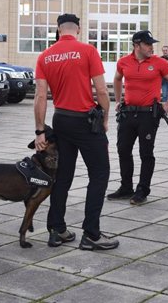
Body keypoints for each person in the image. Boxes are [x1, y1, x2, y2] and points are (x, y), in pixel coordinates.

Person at [34, 13, 118, 251]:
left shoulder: (45, 56)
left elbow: (40, 96)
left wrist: (40, 131)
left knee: (63, 177)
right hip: (85, 121)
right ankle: (91, 234)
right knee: (100, 174)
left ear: (58, 30)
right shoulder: (88, 51)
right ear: (78, 29)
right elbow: (101, 90)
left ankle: (57, 229)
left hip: (61, 119)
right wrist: (105, 116)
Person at [108, 30, 168, 205]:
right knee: (123, 149)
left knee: (145, 153)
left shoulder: (159, 62)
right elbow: (117, 79)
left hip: (148, 115)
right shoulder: (124, 62)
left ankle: (143, 189)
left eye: (151, 44)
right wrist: (118, 100)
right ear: (136, 45)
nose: (151, 47)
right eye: (147, 44)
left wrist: (167, 105)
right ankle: (126, 187)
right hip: (127, 114)